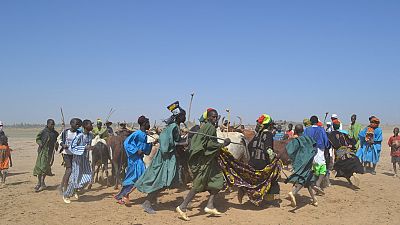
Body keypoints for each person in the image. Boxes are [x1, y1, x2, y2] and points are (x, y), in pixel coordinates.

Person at [177, 109, 230, 221]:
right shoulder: (210, 127)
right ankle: (182, 207)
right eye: (213, 117)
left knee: (218, 181)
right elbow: (210, 145)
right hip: (205, 162)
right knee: (197, 185)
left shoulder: (206, 127)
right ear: (209, 118)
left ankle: (210, 205)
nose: (215, 119)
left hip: (210, 162)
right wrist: (223, 144)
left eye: (216, 117)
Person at [135, 101, 187, 214]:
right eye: (183, 115)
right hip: (165, 158)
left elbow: (173, 140)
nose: (185, 117)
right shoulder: (172, 127)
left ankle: (150, 200)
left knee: (165, 181)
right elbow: (165, 142)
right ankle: (147, 203)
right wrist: (181, 144)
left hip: (170, 157)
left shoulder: (176, 126)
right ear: (179, 116)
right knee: (161, 180)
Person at [114, 116, 153, 204]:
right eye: (147, 123)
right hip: (134, 160)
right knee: (138, 177)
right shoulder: (137, 134)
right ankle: (124, 195)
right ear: (143, 124)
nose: (149, 125)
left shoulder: (145, 135)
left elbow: (146, 149)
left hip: (139, 159)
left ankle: (122, 195)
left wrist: (150, 144)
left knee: (135, 177)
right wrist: (135, 150)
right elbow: (127, 143)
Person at [244, 114, 280, 202]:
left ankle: (251, 195)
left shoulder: (257, 135)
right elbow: (269, 150)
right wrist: (275, 158)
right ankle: (269, 199)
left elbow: (249, 146)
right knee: (274, 175)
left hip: (252, 163)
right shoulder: (269, 134)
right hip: (262, 163)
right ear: (269, 125)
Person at [285, 124, 318, 207]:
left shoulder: (296, 141)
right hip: (308, 160)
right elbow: (315, 147)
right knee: (306, 178)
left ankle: (295, 193)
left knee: (306, 178)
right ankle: (294, 193)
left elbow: (289, 151)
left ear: (295, 131)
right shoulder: (308, 138)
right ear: (303, 131)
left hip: (300, 162)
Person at [63, 119, 93, 204]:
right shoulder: (79, 136)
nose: (92, 126)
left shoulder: (91, 135)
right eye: (90, 125)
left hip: (85, 160)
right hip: (77, 160)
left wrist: (92, 148)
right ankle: (66, 195)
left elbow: (90, 145)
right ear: (85, 126)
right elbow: (72, 147)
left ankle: (75, 190)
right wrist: (84, 148)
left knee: (88, 177)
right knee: (75, 179)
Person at [328, 120, 364, 187]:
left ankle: (352, 175)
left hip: (340, 152)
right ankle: (351, 179)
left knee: (342, 167)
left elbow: (328, 144)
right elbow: (352, 141)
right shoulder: (344, 133)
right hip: (348, 150)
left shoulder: (331, 134)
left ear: (333, 126)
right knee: (348, 165)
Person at [303, 116, 330, 194]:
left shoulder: (307, 130)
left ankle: (315, 185)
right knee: (322, 168)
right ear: (317, 122)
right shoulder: (321, 129)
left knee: (313, 168)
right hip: (319, 150)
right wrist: (327, 146)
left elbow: (304, 140)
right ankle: (317, 184)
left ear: (310, 122)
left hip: (310, 151)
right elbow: (326, 140)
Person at [33, 119, 59, 192]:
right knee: (39, 167)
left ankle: (42, 183)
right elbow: (37, 138)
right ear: (47, 124)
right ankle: (39, 183)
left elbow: (58, 140)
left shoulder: (55, 133)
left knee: (45, 167)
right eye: (51, 124)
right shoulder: (43, 131)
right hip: (42, 152)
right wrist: (40, 143)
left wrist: (56, 145)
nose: (52, 125)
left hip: (50, 153)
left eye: (53, 124)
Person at [58, 118, 82, 194]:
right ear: (71, 124)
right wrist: (63, 144)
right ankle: (65, 188)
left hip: (75, 155)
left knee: (71, 171)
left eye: (79, 125)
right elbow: (59, 139)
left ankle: (61, 185)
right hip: (66, 153)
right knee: (69, 170)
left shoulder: (79, 134)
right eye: (77, 124)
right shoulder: (65, 132)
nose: (78, 126)